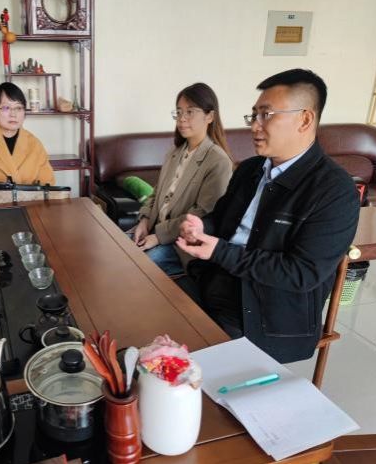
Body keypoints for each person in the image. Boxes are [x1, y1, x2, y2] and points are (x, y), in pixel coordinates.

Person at [176, 69, 360, 363]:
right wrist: (202, 226)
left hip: (264, 316)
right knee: (147, 320)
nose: (254, 126)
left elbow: (301, 273)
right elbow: (221, 219)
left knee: (184, 369)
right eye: (254, 115)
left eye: (266, 115)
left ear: (305, 119)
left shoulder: (334, 191)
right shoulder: (250, 169)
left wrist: (221, 252)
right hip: (214, 282)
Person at [132, 83, 233, 275]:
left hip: (180, 243)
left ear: (210, 116)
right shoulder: (175, 152)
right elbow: (156, 192)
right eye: (179, 112)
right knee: (113, 249)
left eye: (190, 112)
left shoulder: (218, 161)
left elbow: (200, 214)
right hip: (153, 229)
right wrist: (144, 220)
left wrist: (158, 237)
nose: (182, 119)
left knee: (136, 267)